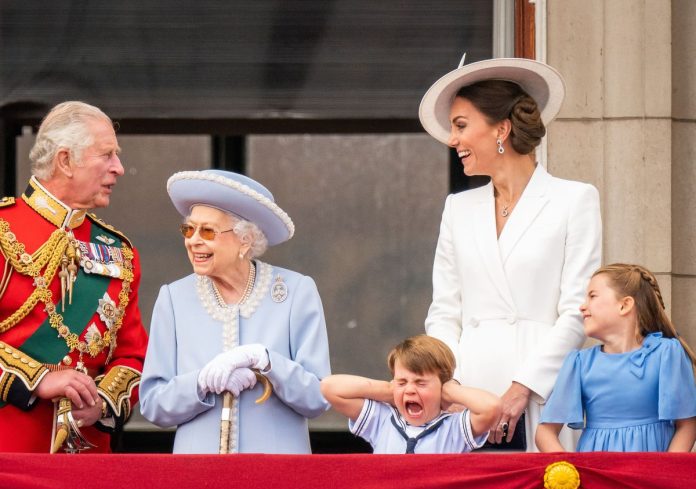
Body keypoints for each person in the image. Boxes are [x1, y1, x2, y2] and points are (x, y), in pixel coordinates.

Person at [419, 57, 602, 451]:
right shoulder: (458, 208)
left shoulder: (574, 200)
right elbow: (444, 312)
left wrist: (524, 387)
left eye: (461, 126)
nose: (453, 140)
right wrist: (449, 385)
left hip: (541, 392)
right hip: (467, 399)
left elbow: (576, 311)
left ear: (501, 128)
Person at [140, 169, 331, 454]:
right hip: (198, 474)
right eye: (188, 230)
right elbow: (153, 405)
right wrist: (201, 382)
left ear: (246, 240)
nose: (193, 241)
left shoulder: (296, 291)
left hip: (277, 475)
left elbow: (318, 398)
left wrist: (268, 363)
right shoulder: (173, 298)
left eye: (208, 231)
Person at [0, 101, 148, 453]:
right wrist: (39, 381)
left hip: (87, 462)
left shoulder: (119, 251)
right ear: (65, 161)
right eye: (107, 155)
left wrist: (103, 404)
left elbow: (134, 358)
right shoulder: (4, 231)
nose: (120, 168)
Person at [536, 264, 696, 452]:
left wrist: (663, 473)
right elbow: (545, 432)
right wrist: (569, 473)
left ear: (624, 305)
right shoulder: (580, 363)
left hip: (649, 474)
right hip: (597, 475)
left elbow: (687, 425)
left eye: (592, 296)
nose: (582, 306)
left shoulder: (666, 353)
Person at [321, 334, 501, 453]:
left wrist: (449, 390)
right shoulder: (382, 420)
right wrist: (388, 391)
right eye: (402, 382)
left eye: (421, 383)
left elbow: (492, 407)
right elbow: (329, 387)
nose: (410, 390)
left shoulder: (453, 429)